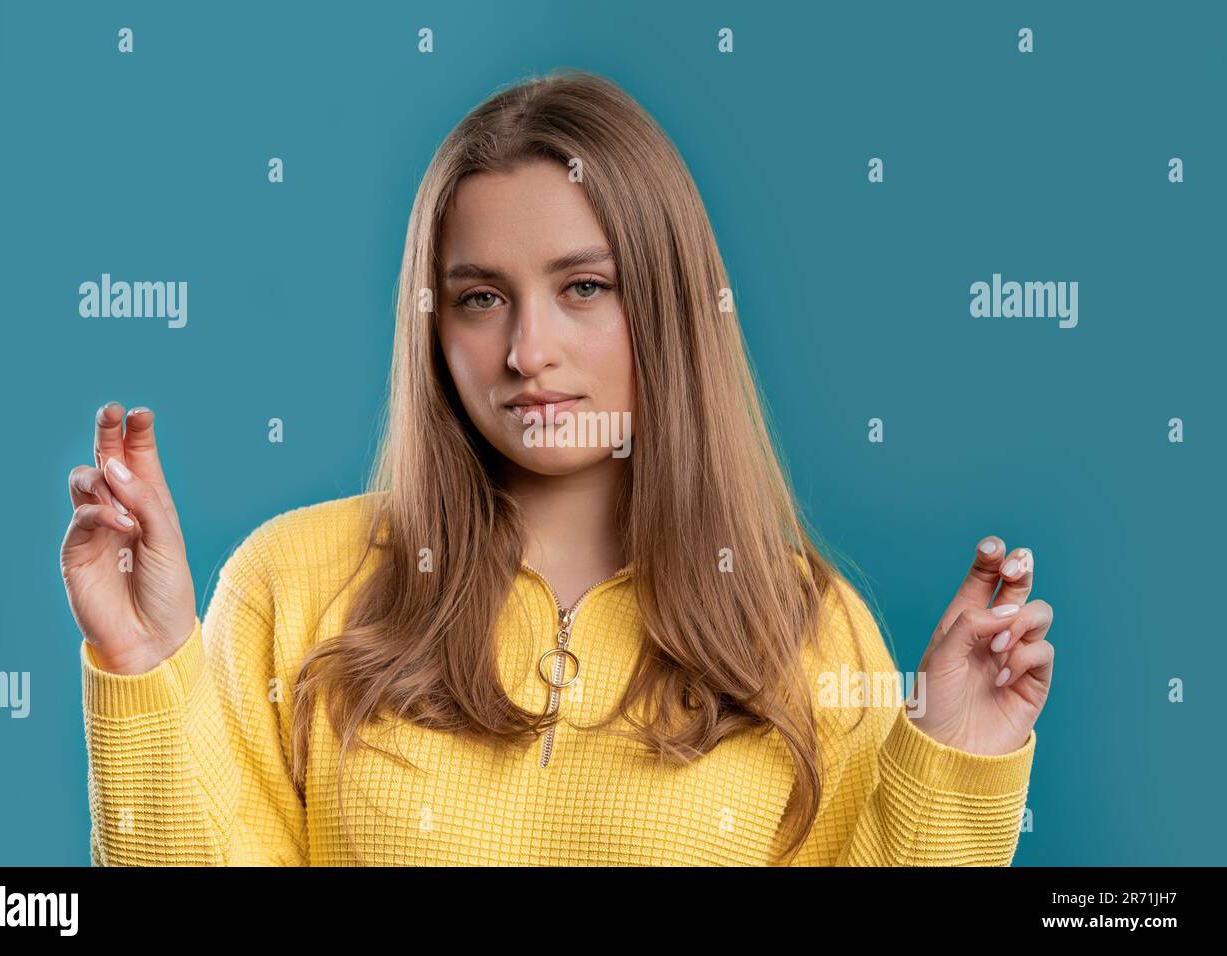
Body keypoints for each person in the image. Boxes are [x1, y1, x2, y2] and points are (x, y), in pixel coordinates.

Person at [61, 69, 1054, 866]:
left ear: (667, 303)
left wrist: (955, 757)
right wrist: (145, 664)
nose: (526, 348)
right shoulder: (290, 583)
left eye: (582, 287)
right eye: (480, 297)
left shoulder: (810, 629)